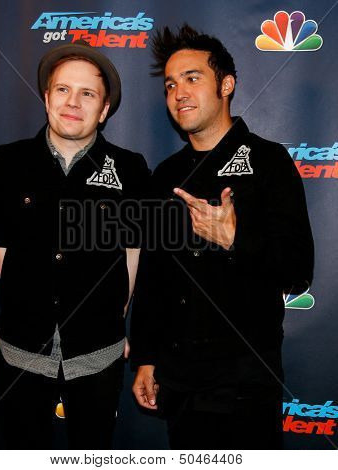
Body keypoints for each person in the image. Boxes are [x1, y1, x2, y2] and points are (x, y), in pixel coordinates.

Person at [131, 25, 314, 450]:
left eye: (193, 78)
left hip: (245, 382)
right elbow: (155, 278)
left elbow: (298, 270)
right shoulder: (166, 175)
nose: (179, 93)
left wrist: (236, 238)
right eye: (171, 85)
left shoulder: (269, 161)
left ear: (226, 85)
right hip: (178, 382)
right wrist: (145, 356)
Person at [0, 41, 150, 449]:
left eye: (87, 93)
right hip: (20, 350)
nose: (72, 102)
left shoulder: (130, 168)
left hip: (99, 352)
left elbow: (132, 255)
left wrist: (112, 315)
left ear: (105, 109)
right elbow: (3, 250)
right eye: (62, 89)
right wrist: (24, 316)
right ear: (46, 97)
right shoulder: (8, 161)